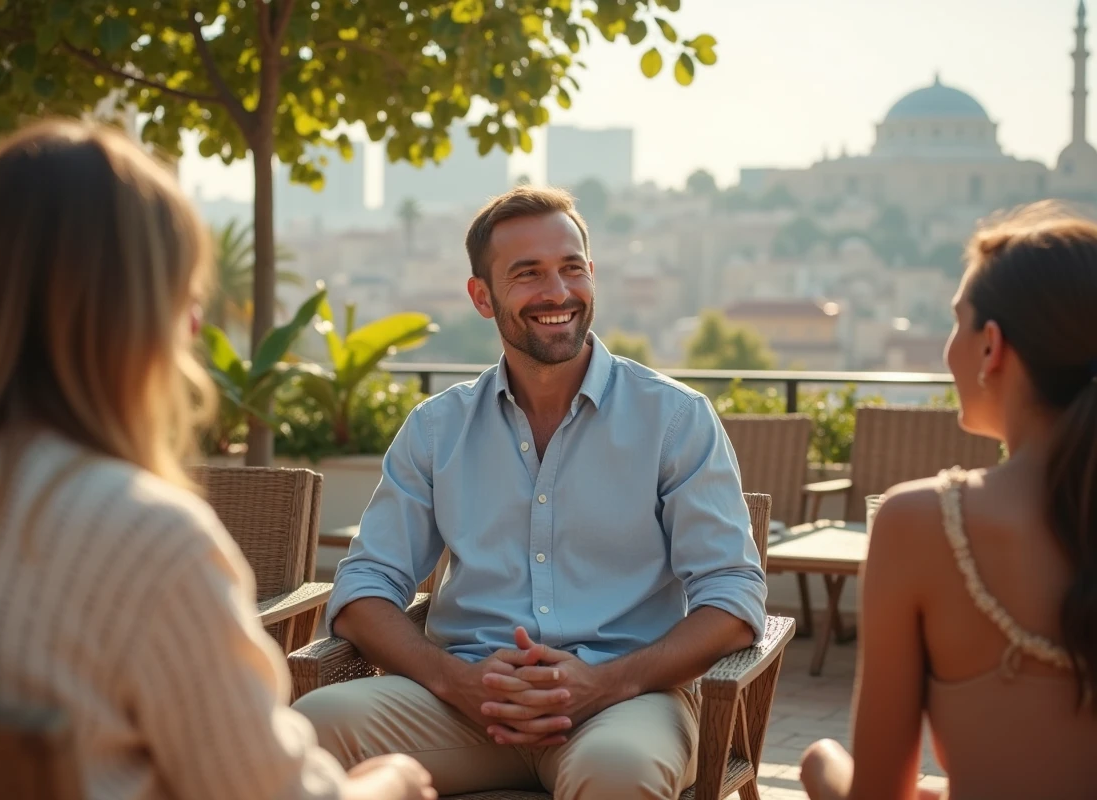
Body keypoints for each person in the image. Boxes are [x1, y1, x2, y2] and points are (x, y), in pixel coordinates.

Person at [0, 120, 434, 800]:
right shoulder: (143, 538)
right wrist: (393, 781)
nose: (195, 328)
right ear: (147, 317)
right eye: (186, 299)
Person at [293, 186, 767, 799]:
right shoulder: (437, 429)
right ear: (481, 297)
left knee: (618, 771)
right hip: (464, 705)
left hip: (627, 702)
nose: (557, 292)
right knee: (309, 729)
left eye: (572, 268)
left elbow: (732, 598)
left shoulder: (675, 419)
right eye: (528, 274)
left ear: (592, 275)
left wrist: (606, 683)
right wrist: (454, 680)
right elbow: (364, 588)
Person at [800, 201, 1097, 800]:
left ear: (992, 347)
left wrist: (821, 767)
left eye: (956, 323)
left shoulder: (925, 525)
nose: (946, 349)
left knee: (818, 761)